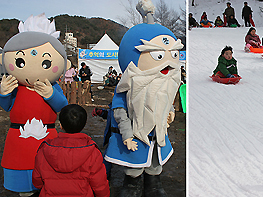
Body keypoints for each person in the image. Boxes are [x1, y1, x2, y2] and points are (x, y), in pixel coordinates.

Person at [104, 20, 182, 197]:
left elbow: (165, 99)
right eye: (159, 56)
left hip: (157, 133)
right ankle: (132, 184)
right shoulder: (127, 86)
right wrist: (126, 134)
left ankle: (153, 183)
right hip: (135, 134)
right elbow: (120, 113)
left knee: (155, 161)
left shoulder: (167, 82)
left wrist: (170, 111)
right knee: (134, 164)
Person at [0, 13, 68, 195]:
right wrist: (3, 93)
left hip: (47, 138)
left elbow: (62, 105)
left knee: (48, 180)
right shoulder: (16, 86)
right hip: (19, 138)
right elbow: (7, 106)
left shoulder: (52, 86)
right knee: (24, 184)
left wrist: (51, 95)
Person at [32, 104, 110, 197]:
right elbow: (99, 184)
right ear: (84, 125)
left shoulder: (45, 149)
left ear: (61, 125)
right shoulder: (92, 152)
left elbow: (37, 182)